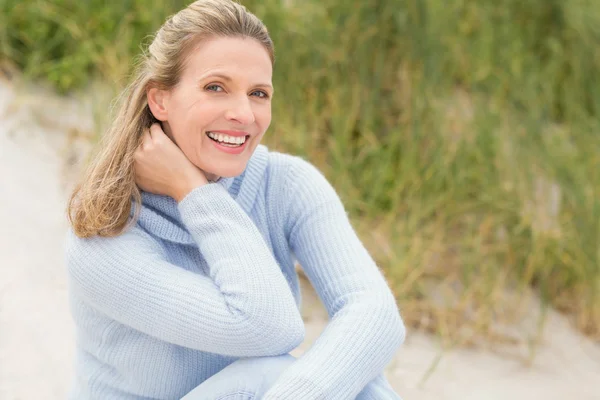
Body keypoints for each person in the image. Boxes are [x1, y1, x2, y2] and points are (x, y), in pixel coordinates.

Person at [65, 0, 406, 398]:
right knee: (273, 372)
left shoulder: (285, 184)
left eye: (259, 93)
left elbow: (376, 314)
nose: (244, 114)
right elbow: (269, 327)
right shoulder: (103, 236)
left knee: (357, 377)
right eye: (216, 87)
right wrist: (194, 193)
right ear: (160, 100)